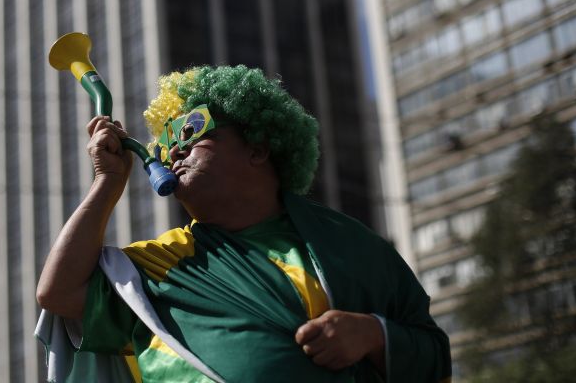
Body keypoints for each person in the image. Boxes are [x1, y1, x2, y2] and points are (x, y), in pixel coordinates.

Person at [36, 65, 451, 382]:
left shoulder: (350, 247)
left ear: (257, 148)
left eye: (191, 129)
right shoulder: (162, 262)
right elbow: (59, 293)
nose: (173, 151)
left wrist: (372, 334)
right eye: (162, 146)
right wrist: (108, 182)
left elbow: (433, 356)